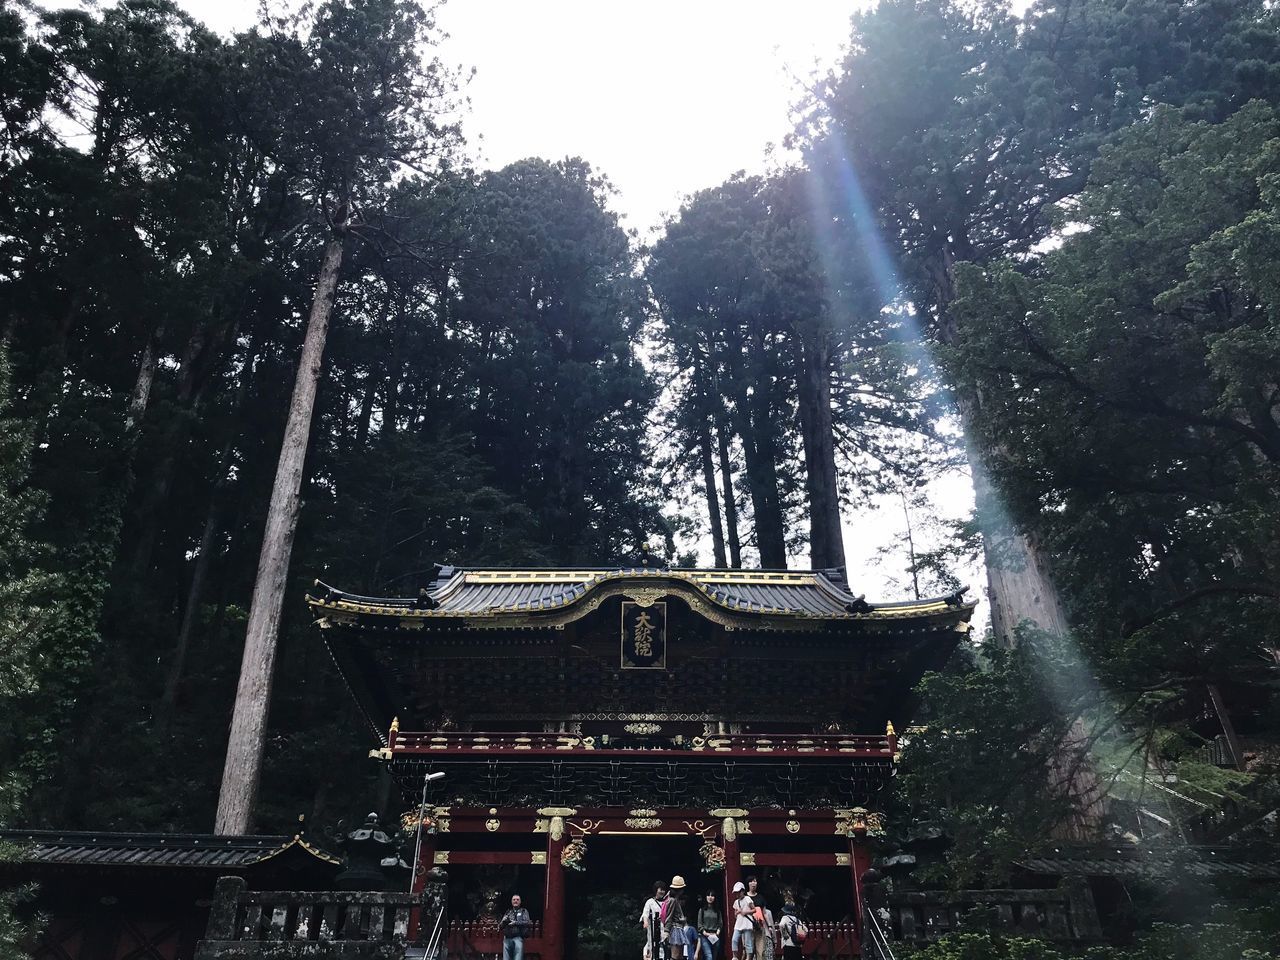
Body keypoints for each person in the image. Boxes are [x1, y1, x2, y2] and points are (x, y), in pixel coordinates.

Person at [746, 877, 773, 960]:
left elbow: (765, 913)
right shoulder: (745, 897)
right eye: (751, 881)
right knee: (748, 952)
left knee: (760, 951)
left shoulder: (760, 897)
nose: (754, 883)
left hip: (759, 927)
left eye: (755, 881)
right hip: (748, 927)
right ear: (748, 884)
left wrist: (769, 926)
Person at [499, 894, 532, 960]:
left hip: (518, 937)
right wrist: (503, 921)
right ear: (511, 901)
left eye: (517, 900)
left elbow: (527, 922)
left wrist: (516, 923)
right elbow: (500, 926)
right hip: (507, 938)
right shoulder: (508, 912)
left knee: (518, 958)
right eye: (514, 900)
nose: (515, 901)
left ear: (520, 902)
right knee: (506, 958)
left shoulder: (524, 911)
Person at [641, 880, 668, 960]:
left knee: (664, 950)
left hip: (664, 930)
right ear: (656, 890)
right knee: (651, 948)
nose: (662, 891)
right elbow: (645, 914)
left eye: (663, 890)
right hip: (652, 931)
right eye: (660, 889)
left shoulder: (667, 902)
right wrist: (645, 922)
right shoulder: (650, 902)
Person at [664, 875, 690, 959]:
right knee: (675, 955)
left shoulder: (675, 899)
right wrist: (666, 931)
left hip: (679, 928)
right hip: (675, 929)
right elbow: (669, 916)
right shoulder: (672, 900)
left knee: (680, 956)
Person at [696, 889, 722, 960]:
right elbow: (699, 924)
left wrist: (717, 933)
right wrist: (705, 933)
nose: (710, 897)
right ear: (706, 897)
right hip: (705, 936)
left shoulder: (717, 911)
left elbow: (720, 924)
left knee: (714, 957)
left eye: (712, 896)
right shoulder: (702, 910)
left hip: (715, 936)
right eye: (708, 895)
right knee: (709, 957)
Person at [731, 880, 754, 960]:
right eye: (736, 892)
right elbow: (735, 914)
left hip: (747, 923)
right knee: (734, 940)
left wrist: (745, 912)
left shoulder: (748, 899)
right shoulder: (736, 902)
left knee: (748, 943)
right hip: (739, 923)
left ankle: (748, 958)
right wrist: (737, 913)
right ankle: (735, 957)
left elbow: (754, 910)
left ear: (742, 891)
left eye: (738, 892)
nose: (737, 894)